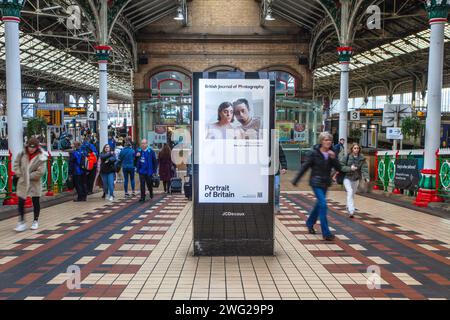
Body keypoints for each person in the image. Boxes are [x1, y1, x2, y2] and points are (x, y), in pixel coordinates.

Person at [291, 132, 342, 241]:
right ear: (321, 141)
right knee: (323, 204)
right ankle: (326, 233)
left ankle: (309, 222)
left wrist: (334, 158)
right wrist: (296, 179)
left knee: (319, 205)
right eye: (325, 140)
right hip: (316, 182)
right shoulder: (314, 153)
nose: (328, 142)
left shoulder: (331, 153)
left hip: (325, 183)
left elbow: (339, 168)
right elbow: (305, 167)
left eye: (329, 140)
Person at [12, 138, 48, 232]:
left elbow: (41, 172)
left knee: (35, 201)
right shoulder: (22, 153)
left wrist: (28, 175)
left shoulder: (41, 156)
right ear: (27, 146)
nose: (31, 149)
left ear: (37, 147)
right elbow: (16, 164)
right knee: (21, 201)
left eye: (34, 147)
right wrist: (19, 173)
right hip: (23, 181)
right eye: (30, 147)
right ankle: (22, 222)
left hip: (34, 182)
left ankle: (35, 220)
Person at [339, 143, 369, 218]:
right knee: (350, 191)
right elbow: (341, 166)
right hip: (347, 178)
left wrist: (366, 177)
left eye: (357, 148)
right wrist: (350, 168)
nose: (356, 149)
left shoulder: (362, 158)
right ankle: (351, 210)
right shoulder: (347, 156)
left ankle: (348, 206)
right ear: (352, 149)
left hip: (356, 178)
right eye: (355, 148)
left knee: (352, 194)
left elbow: (364, 168)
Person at [274, 143, 288, 213]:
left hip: (275, 171)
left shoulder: (276, 144)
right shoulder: (262, 143)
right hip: (264, 172)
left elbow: (282, 156)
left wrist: (284, 167)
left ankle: (276, 204)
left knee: (276, 188)